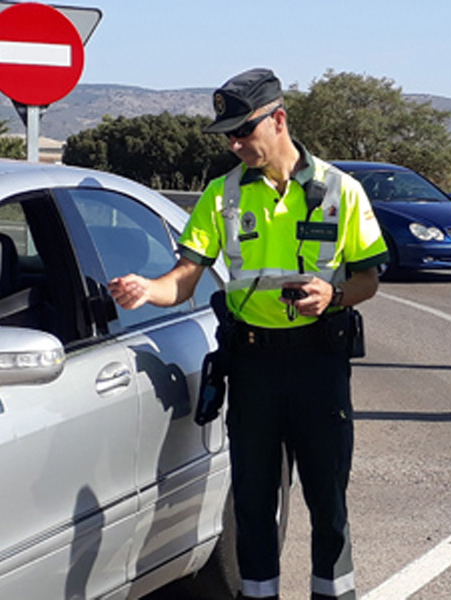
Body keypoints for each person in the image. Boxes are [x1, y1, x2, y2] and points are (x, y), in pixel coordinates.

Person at [109, 68, 388, 600]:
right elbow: (184, 277)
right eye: (228, 135)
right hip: (254, 366)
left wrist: (333, 296)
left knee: (328, 503)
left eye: (243, 131)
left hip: (319, 365)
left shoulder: (341, 190)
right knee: (253, 505)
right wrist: (148, 289)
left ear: (278, 120)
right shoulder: (222, 195)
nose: (235, 144)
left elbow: (368, 280)